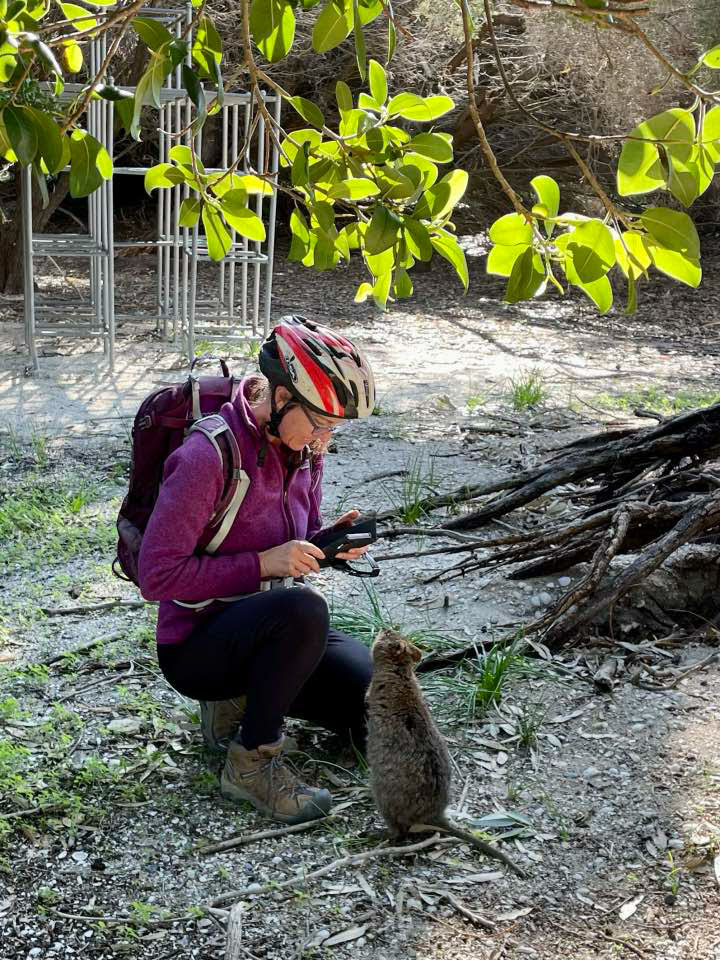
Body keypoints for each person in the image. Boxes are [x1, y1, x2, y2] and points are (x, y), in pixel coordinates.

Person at [137, 316, 376, 826]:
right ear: (282, 397)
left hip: (267, 627)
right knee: (305, 611)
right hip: (197, 645)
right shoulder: (208, 455)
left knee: (370, 698)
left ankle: (244, 701)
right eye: (319, 423)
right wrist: (263, 564)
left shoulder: (303, 451)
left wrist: (325, 545)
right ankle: (250, 765)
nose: (324, 439)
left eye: (333, 429)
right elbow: (156, 576)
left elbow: (295, 535)